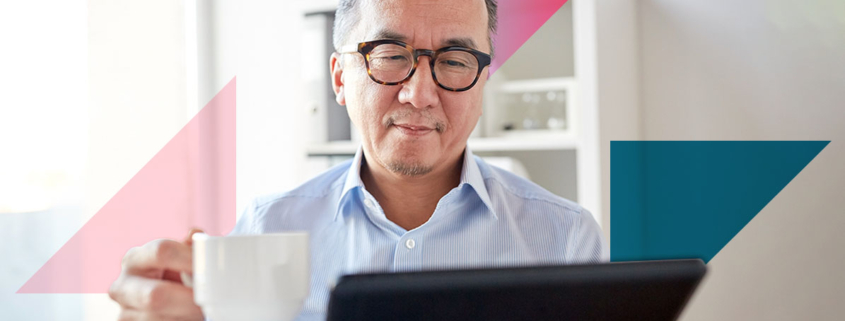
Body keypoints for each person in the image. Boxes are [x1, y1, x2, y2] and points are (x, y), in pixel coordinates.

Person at [108, 0, 607, 320]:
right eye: (390, 53)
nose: (419, 93)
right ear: (340, 79)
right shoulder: (267, 226)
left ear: (482, 83)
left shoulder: (566, 238)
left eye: (455, 61)